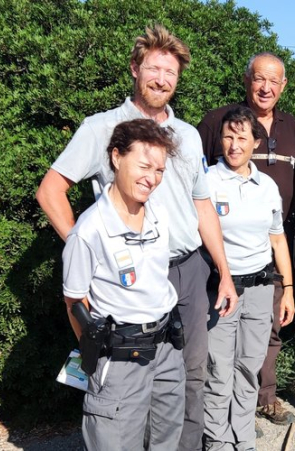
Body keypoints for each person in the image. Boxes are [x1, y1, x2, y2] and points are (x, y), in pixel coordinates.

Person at [35, 25, 237, 451]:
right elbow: (50, 190)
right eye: (154, 68)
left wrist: (223, 270)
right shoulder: (103, 128)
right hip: (126, 284)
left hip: (186, 271)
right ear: (134, 69)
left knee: (187, 377)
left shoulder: (187, 135)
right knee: (122, 392)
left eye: (171, 71)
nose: (162, 78)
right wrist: (88, 251)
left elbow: (203, 205)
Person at [197, 52, 295, 429]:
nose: (266, 87)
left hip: (272, 248)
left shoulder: (293, 128)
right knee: (221, 347)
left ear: (283, 86)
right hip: (220, 261)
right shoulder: (216, 122)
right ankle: (223, 415)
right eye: (259, 78)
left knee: (267, 331)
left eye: (273, 81)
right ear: (247, 81)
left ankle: (261, 401)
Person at [62, 119, 183, 449]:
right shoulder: (88, 232)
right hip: (120, 359)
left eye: (159, 170)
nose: (152, 179)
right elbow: (74, 301)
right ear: (116, 157)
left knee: (166, 441)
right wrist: (98, 351)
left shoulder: (157, 213)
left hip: (167, 348)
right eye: (144, 166)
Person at [203, 106, 295, 451]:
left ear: (255, 142)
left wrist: (287, 289)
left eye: (242, 137)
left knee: (248, 368)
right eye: (228, 135)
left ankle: (243, 440)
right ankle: (217, 442)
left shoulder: (267, 186)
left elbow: (277, 238)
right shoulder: (207, 182)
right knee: (219, 371)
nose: (234, 144)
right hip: (222, 291)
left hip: (260, 289)